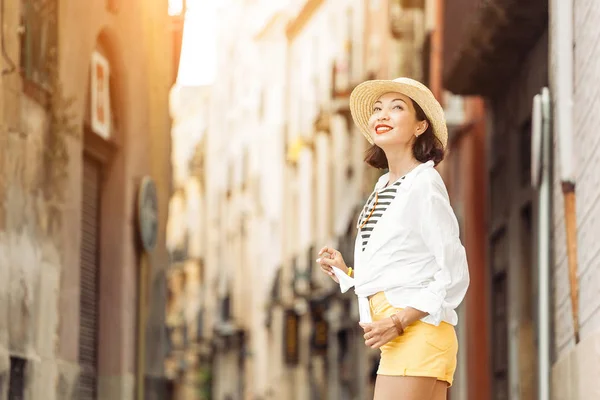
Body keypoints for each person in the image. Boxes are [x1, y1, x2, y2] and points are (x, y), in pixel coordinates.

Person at [317, 77, 469, 400]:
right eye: (377, 109)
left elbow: (454, 272)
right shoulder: (382, 187)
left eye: (396, 108)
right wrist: (347, 273)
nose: (382, 115)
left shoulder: (423, 184)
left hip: (419, 338)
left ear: (419, 126)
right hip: (399, 342)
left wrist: (398, 322)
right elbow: (400, 269)